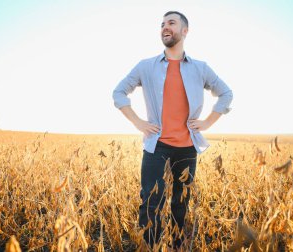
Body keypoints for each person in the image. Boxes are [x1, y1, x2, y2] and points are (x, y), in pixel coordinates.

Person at [112, 11, 233, 249]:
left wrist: (208, 123)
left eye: (171, 23)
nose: (165, 27)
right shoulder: (145, 66)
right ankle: (152, 246)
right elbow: (118, 92)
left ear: (184, 31)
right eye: (162, 24)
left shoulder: (200, 68)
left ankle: (178, 246)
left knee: (181, 203)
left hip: (187, 147)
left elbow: (226, 93)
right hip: (155, 145)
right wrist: (139, 123)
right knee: (150, 201)